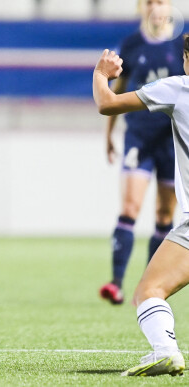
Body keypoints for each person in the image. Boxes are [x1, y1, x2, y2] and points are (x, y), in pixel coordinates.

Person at [92, 33, 189, 376]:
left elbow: (107, 103)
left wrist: (101, 74)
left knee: (149, 291)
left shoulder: (179, 87)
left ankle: (166, 350)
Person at [99, 0, 184, 305]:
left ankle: (151, 285)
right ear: (141, 8)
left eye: (160, 1)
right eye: (149, 2)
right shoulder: (132, 44)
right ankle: (116, 283)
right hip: (138, 136)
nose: (155, 7)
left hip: (170, 141)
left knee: (164, 215)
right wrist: (110, 134)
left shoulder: (181, 45)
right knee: (130, 207)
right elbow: (117, 90)